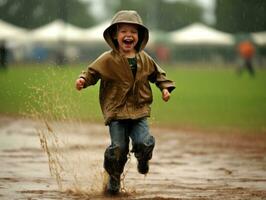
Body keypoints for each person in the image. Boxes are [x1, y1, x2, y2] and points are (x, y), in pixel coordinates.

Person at [75, 10, 175, 195]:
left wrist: (165, 88)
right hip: (117, 111)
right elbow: (92, 72)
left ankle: (143, 159)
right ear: (115, 34)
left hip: (139, 110)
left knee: (144, 143)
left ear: (140, 36)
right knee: (118, 149)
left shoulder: (145, 59)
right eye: (123, 31)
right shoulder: (107, 59)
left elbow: (158, 75)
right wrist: (83, 80)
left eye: (133, 32)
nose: (128, 35)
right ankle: (113, 177)